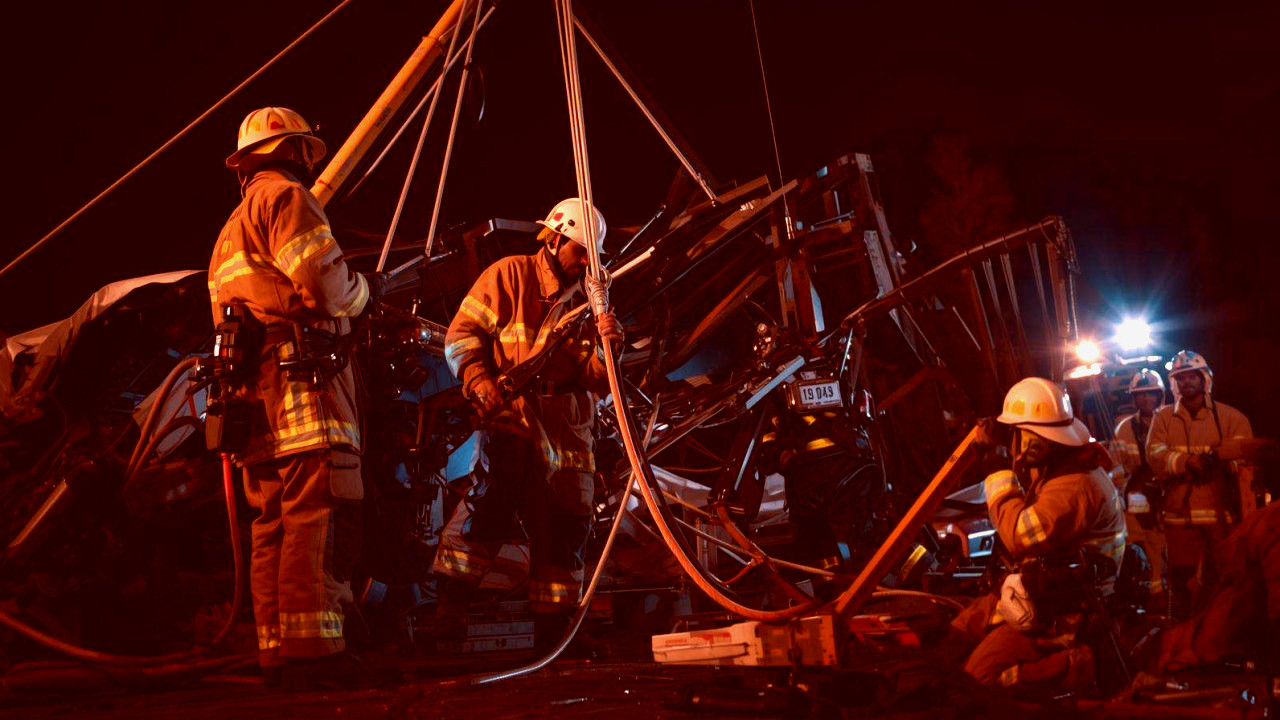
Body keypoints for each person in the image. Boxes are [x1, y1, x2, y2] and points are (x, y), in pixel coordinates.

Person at [209, 107, 385, 689]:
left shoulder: (229, 228)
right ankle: (317, 656)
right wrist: (365, 292)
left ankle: (278, 652)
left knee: (272, 526)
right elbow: (327, 287)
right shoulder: (285, 199)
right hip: (304, 385)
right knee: (319, 514)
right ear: (297, 152)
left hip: (254, 400)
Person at [431, 198, 624, 646]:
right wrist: (480, 381)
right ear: (555, 239)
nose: (585, 265)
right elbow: (461, 336)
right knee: (487, 511)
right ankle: (450, 610)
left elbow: (598, 380)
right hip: (512, 417)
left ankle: (554, 634)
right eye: (581, 252)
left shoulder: (593, 299)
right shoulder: (508, 275)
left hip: (569, 427)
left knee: (565, 529)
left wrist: (609, 347)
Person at [956, 377, 1127, 694]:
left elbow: (1020, 535)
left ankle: (1083, 662)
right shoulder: (1058, 466)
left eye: (1017, 433)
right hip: (1039, 591)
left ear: (1035, 440)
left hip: (1066, 612)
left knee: (977, 679)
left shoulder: (1075, 484)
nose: (1013, 441)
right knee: (956, 635)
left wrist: (995, 467)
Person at [1146, 350, 1254, 619]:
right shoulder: (1162, 419)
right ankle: (1187, 635)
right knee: (1183, 582)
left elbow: (1246, 460)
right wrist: (1185, 462)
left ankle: (1222, 632)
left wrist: (1219, 463)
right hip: (1178, 518)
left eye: (1192, 376)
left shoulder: (1231, 418)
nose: (1186, 383)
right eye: (1180, 378)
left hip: (1220, 517)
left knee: (1223, 580)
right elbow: (1155, 455)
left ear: (1204, 379)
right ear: (1174, 384)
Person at [1111, 369, 1169, 612]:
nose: (1145, 399)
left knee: (1162, 547)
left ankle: (1161, 595)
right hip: (1134, 502)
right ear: (1134, 399)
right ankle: (1140, 597)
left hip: (1166, 498)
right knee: (1136, 548)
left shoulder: (1170, 422)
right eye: (1140, 395)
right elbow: (1116, 467)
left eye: (1150, 394)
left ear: (1159, 396)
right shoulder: (1125, 429)